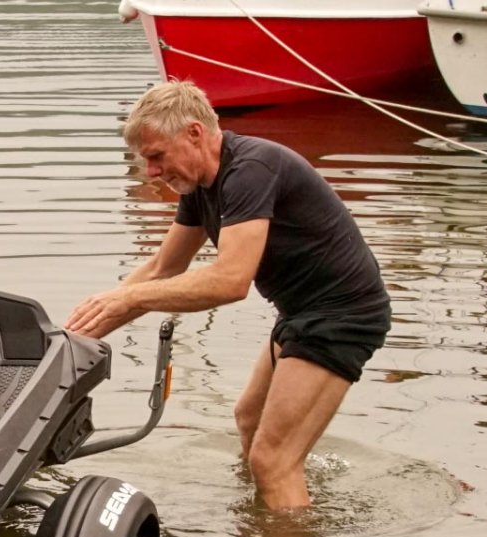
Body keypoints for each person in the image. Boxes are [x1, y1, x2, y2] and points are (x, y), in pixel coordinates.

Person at [67, 81, 392, 510]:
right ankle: (269, 510)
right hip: (300, 312)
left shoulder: (251, 170)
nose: (152, 172)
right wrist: (71, 340)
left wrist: (132, 300)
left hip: (343, 316)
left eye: (156, 156)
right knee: (248, 420)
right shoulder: (200, 185)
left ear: (194, 133)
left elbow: (231, 280)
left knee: (272, 462)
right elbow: (163, 268)